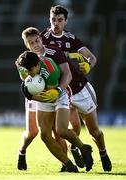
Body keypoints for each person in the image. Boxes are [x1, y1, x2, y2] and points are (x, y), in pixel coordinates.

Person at [40, 5, 112, 172]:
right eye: (53, 20)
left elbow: (91, 58)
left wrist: (88, 66)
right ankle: (67, 161)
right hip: (61, 91)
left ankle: (102, 152)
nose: (56, 23)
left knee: (94, 131)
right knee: (62, 131)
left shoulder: (71, 39)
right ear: (49, 20)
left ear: (65, 22)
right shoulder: (42, 38)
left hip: (79, 89)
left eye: (59, 20)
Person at [16, 27, 93, 172]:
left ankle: (83, 149)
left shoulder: (51, 61)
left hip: (58, 93)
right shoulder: (25, 60)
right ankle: (68, 165)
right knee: (41, 135)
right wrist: (29, 90)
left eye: (37, 40)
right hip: (42, 97)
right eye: (31, 43)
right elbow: (26, 80)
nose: (35, 44)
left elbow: (67, 76)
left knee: (61, 131)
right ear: (27, 45)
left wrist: (57, 90)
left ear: (41, 38)